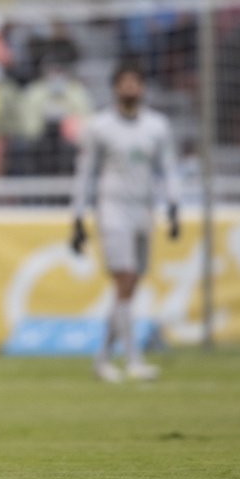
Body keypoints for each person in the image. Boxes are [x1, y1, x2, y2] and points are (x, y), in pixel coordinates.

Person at [70, 63, 180, 383]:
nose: (130, 88)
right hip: (112, 209)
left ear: (143, 87)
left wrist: (173, 205)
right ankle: (133, 359)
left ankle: (102, 358)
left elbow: (168, 168)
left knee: (130, 287)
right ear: (115, 88)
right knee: (125, 279)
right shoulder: (100, 127)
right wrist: (78, 216)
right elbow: (86, 173)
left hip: (144, 210)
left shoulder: (157, 126)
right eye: (124, 83)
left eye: (135, 82)